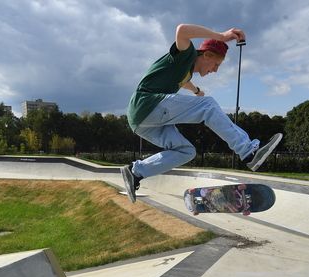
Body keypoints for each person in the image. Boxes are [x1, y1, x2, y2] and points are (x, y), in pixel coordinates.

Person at [121, 23, 282, 202]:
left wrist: (196, 90)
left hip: (141, 123)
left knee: (186, 151)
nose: (215, 70)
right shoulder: (187, 54)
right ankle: (248, 152)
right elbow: (182, 30)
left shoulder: (186, 72)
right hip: (146, 104)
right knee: (208, 106)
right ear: (206, 55)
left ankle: (135, 172)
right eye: (216, 64)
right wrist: (221, 36)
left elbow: (182, 81)